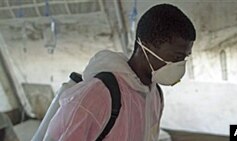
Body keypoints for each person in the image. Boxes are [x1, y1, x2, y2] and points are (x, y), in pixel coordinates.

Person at [43, 3, 196, 141]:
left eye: (184, 58)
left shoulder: (155, 95)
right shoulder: (99, 95)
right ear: (147, 47)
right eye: (177, 57)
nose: (180, 65)